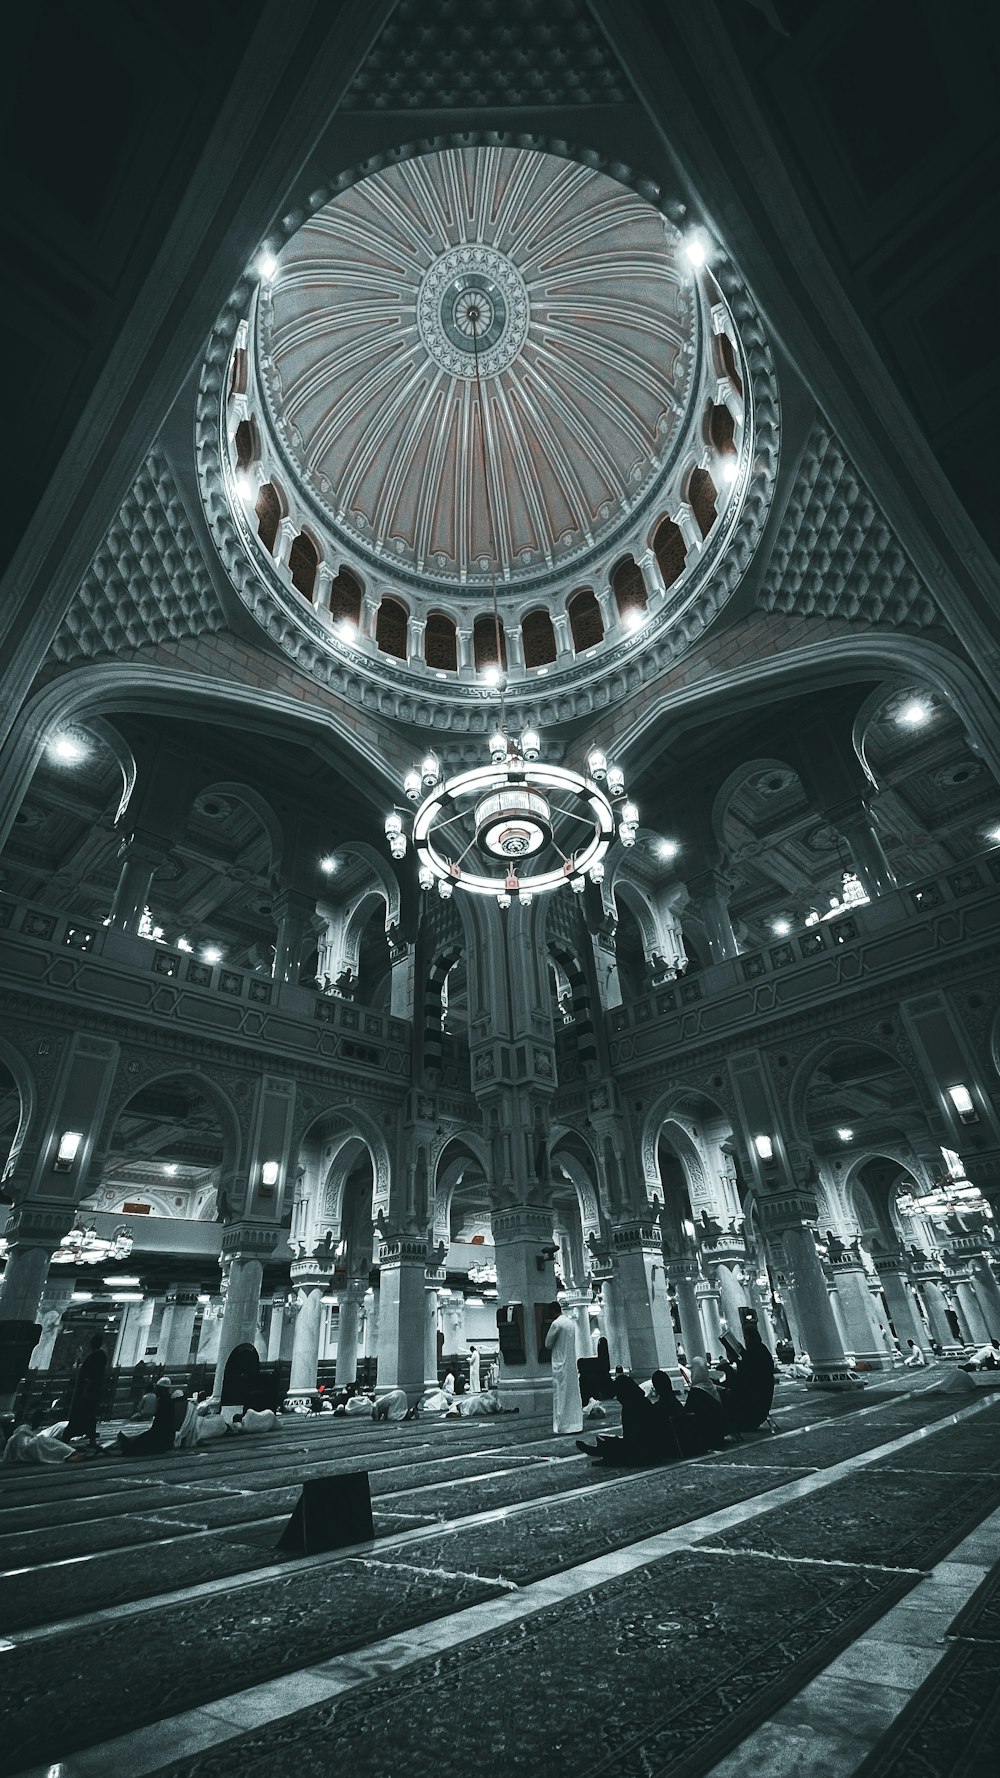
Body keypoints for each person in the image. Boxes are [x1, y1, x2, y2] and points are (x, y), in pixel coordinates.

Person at [576, 1375, 660, 1465]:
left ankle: (600, 1452)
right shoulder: (643, 1402)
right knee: (613, 1443)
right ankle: (601, 1451)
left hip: (642, 1452)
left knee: (616, 1447)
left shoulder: (631, 1408)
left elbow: (633, 1439)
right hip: (651, 1448)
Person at [725, 1323, 776, 1433]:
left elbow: (749, 1374)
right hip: (762, 1393)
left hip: (756, 1398)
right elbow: (750, 1365)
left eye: (746, 1338)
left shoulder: (756, 1351)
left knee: (729, 1395)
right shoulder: (760, 1349)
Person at [544, 1295, 584, 1435]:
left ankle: (562, 1426)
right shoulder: (570, 1323)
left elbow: (548, 1344)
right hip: (571, 1364)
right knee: (572, 1394)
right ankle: (576, 1424)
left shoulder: (556, 1324)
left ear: (553, 1311)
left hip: (560, 1365)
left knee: (560, 1396)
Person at [117, 1376, 180, 1455]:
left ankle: (127, 1445)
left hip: (161, 1437)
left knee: (141, 1441)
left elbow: (158, 1426)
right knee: (141, 1438)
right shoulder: (168, 1401)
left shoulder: (163, 1402)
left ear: (162, 1389)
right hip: (165, 1436)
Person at [64, 1335, 107, 1450]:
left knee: (80, 1413)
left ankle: (67, 1437)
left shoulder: (93, 1358)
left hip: (87, 1391)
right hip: (96, 1390)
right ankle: (91, 1438)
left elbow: (88, 1376)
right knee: (91, 1414)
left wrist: (84, 1390)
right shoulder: (102, 1357)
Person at [2, 1413, 85, 1466]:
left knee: (51, 1446)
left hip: (32, 1441)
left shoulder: (18, 1436)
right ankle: (71, 1454)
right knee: (51, 1446)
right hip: (32, 1442)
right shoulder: (19, 1435)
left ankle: (71, 1454)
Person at [683, 1357, 728, 1451]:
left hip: (705, 1436)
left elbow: (687, 1413)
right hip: (719, 1433)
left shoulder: (696, 1391)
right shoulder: (712, 1387)